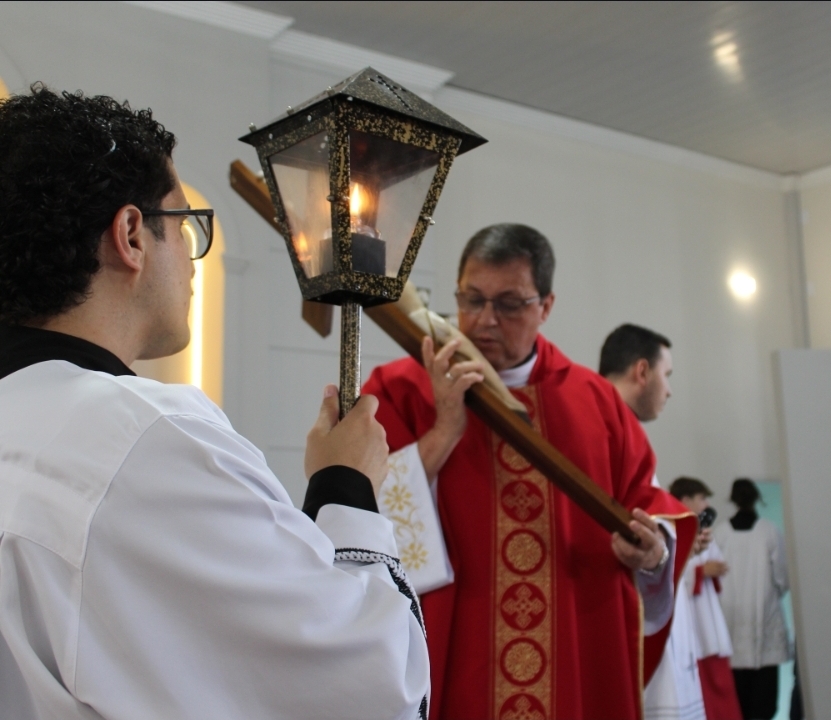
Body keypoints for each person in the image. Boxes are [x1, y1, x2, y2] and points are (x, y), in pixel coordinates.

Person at [0, 85, 429, 720]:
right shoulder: (144, 437)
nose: (194, 261)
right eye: (184, 225)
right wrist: (346, 488)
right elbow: (370, 682)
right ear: (131, 235)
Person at [364, 223, 696, 720]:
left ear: (546, 306)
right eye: (472, 299)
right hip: (456, 648)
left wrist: (654, 552)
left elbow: (647, 507)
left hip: (573, 648)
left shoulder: (596, 402)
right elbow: (359, 511)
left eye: (510, 304)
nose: (485, 320)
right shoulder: (400, 389)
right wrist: (444, 430)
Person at [601, 325, 706, 720]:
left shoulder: (627, 436)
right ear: (642, 371)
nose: (670, 390)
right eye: (668, 375)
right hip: (616, 625)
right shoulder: (598, 431)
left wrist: (670, 547)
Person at [714, 479, 790, 720]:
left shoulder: (720, 534)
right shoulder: (769, 531)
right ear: (756, 498)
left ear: (733, 499)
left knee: (739, 704)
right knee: (764, 705)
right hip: (764, 618)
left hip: (730, 621)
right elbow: (782, 577)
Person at [669, 477, 743, 720]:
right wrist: (699, 571)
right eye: (702, 498)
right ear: (685, 500)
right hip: (690, 619)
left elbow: (717, 563)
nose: (706, 504)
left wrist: (710, 568)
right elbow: (668, 574)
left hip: (708, 615)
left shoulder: (702, 530)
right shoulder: (670, 530)